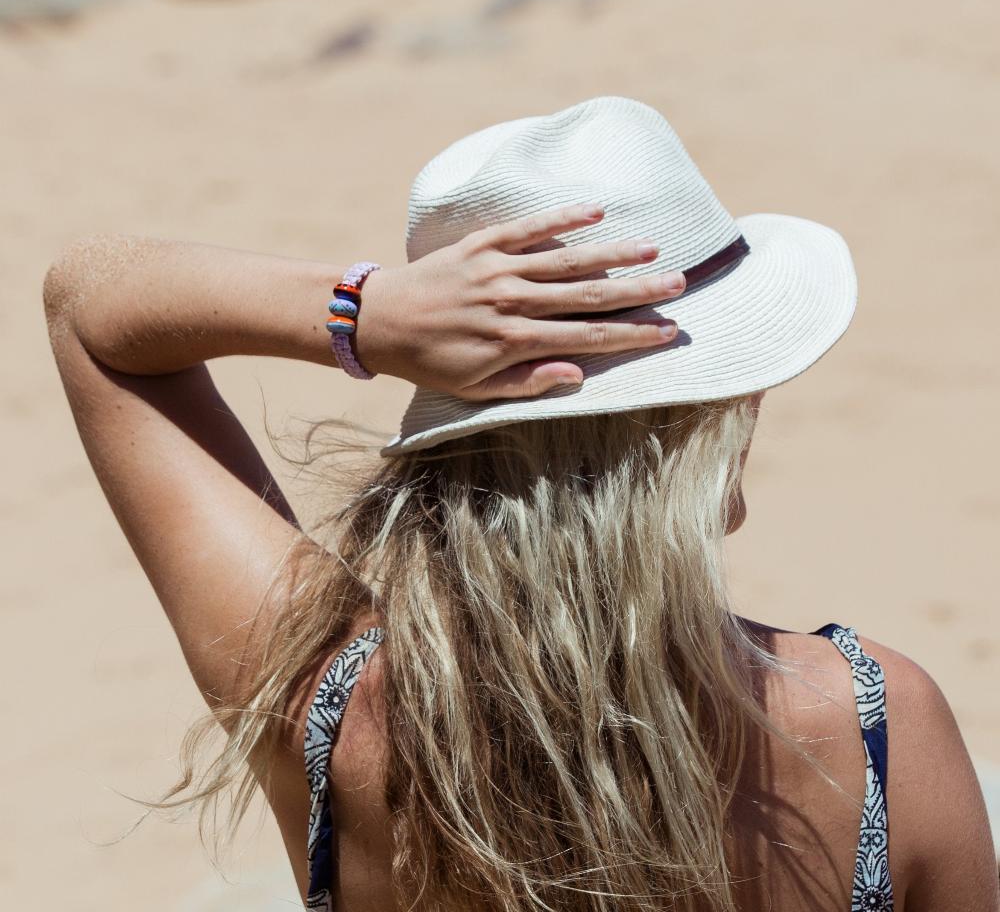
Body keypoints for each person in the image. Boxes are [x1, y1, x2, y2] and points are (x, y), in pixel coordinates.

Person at [43, 97, 998, 912]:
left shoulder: (325, 704)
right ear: (725, 419)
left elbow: (92, 317)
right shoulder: (875, 732)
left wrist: (362, 315)